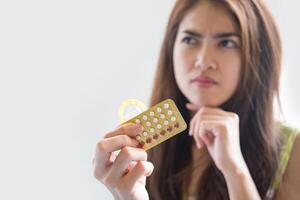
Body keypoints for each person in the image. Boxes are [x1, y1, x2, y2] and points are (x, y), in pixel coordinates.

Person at [93, 0, 300, 199]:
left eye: (226, 43)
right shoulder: (144, 152)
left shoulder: (291, 149)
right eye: (190, 39)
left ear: (257, 55)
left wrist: (234, 169)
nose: (203, 61)